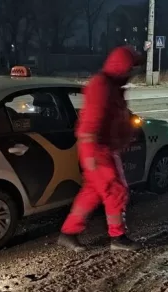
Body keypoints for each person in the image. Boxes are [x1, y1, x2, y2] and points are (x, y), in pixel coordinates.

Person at [58, 46, 143, 252]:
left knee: (93, 192)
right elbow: (92, 120)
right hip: (97, 148)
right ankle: (118, 237)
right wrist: (91, 155)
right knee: (116, 190)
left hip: (101, 147)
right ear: (122, 68)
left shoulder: (113, 86)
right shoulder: (102, 85)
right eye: (131, 70)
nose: (132, 74)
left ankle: (68, 233)